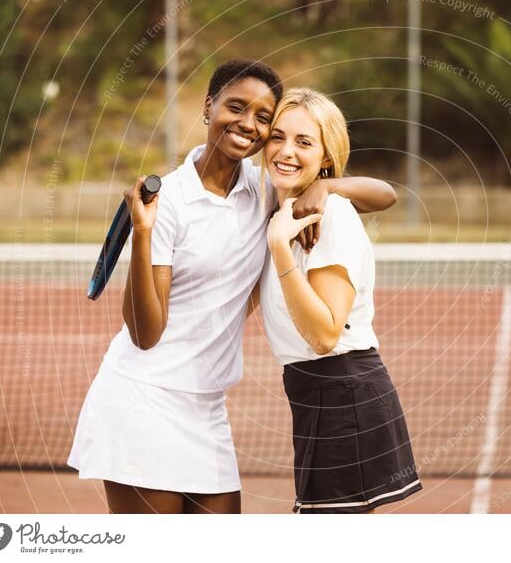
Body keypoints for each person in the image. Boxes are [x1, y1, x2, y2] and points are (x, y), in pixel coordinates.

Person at [67, 61, 397, 514]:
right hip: (145, 400)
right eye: (236, 107)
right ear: (209, 107)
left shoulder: (265, 190)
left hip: (207, 408)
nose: (248, 123)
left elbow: (384, 195)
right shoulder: (170, 201)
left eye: (264, 117)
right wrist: (143, 233)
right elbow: (145, 334)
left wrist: (330, 185)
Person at [257, 88, 421, 513]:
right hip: (316, 393)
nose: (286, 150)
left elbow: (326, 335)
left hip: (341, 392)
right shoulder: (280, 207)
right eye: (277, 136)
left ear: (326, 157)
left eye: (304, 141)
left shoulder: (332, 216)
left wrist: (280, 249)